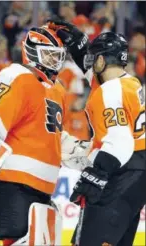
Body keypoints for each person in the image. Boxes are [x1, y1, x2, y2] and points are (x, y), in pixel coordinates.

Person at [0, 25, 90, 246]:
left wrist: (84, 155)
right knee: (16, 239)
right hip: (12, 182)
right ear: (33, 51)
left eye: (58, 56)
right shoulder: (17, 75)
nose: (55, 62)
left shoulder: (57, 90)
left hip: (43, 187)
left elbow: (52, 135)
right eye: (50, 55)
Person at [48, 20, 146, 246]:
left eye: (95, 58)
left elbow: (119, 142)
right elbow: (96, 74)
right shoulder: (130, 83)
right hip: (138, 176)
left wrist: (96, 174)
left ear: (102, 60)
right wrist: (78, 44)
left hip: (121, 172)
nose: (91, 63)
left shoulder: (109, 92)